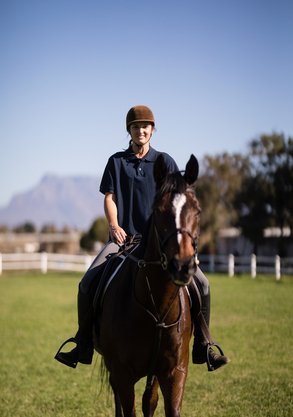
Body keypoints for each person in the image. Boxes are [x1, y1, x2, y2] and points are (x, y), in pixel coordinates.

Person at [55, 105, 230, 371]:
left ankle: (204, 345)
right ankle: (83, 344)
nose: (141, 130)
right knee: (87, 283)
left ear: (152, 130)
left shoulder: (166, 162)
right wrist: (114, 225)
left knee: (203, 285)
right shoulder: (116, 161)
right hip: (124, 239)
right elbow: (110, 198)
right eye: (136, 126)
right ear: (130, 130)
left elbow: (177, 201)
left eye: (146, 126)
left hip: (160, 242)